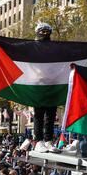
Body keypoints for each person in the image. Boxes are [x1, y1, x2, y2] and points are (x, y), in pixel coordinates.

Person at [31, 22, 60, 154]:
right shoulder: (32, 47)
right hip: (38, 85)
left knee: (51, 115)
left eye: (47, 32)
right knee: (39, 115)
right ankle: (39, 141)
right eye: (42, 31)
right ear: (37, 32)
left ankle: (48, 141)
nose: (44, 34)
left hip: (52, 84)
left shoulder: (54, 48)